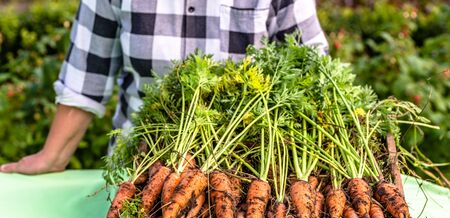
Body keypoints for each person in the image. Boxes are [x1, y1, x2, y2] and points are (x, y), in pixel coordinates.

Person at [0, 0, 328, 174]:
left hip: (245, 174)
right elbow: (85, 77)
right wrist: (52, 157)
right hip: (138, 170)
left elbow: (313, 76)